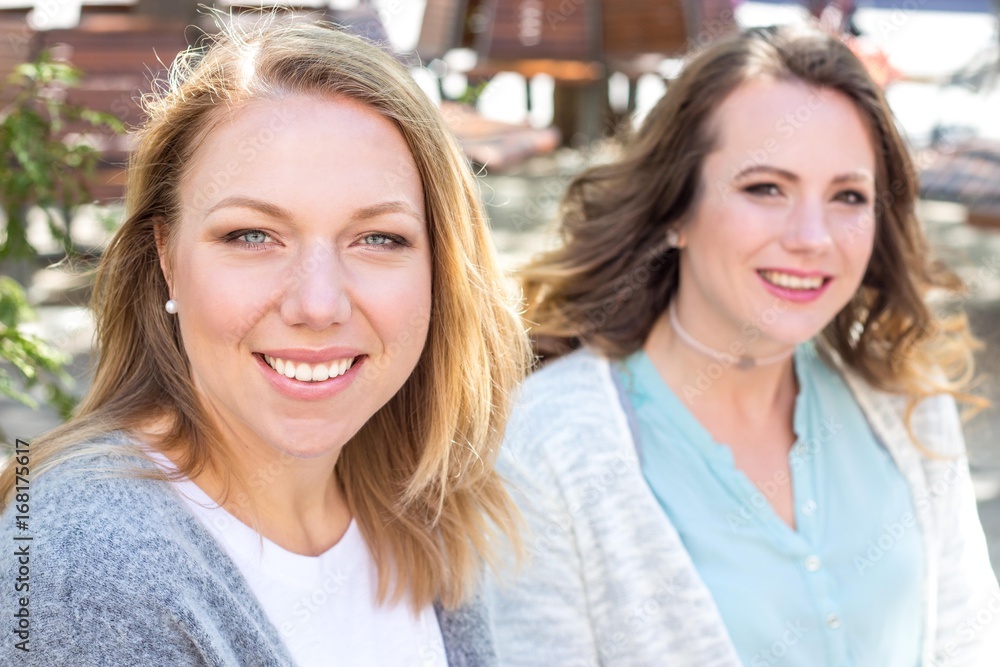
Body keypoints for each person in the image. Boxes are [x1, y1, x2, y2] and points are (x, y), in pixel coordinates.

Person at [0, 18, 529, 667]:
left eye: (379, 238)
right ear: (167, 258)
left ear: (440, 267)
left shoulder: (417, 500)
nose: (317, 304)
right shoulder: (89, 568)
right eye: (252, 235)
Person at [487, 24, 1000, 667]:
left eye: (848, 195)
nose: (812, 236)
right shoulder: (546, 448)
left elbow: (970, 640)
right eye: (765, 188)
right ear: (676, 208)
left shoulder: (907, 400)